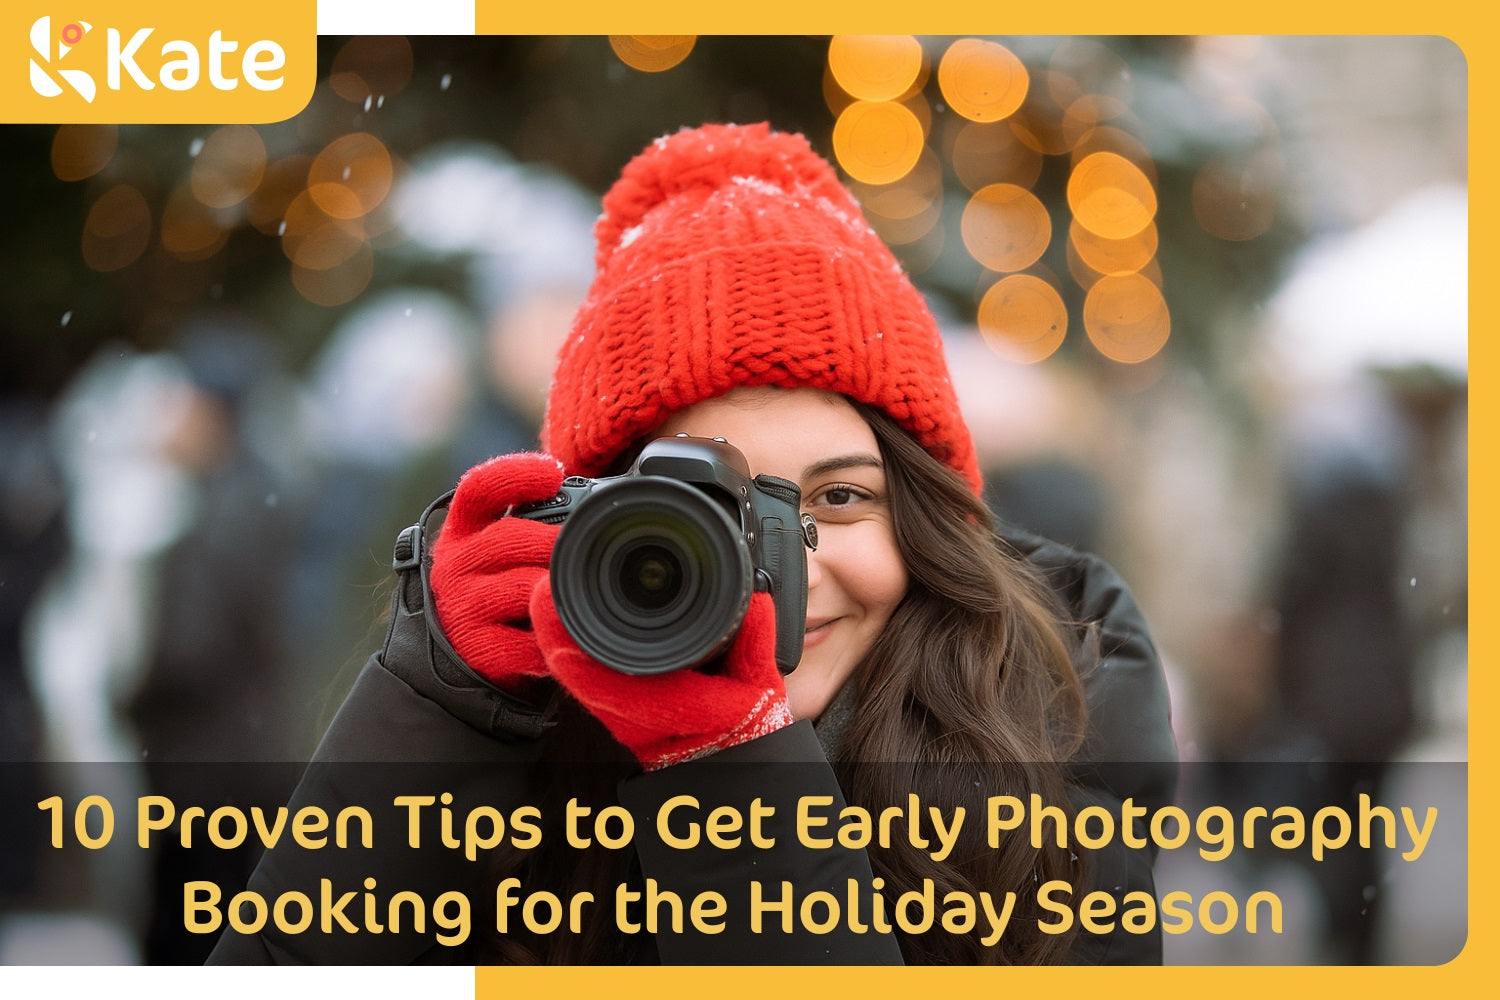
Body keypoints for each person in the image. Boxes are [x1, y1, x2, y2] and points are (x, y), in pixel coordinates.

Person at [208, 123, 1176, 966]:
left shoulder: (1056, 716)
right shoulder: (522, 726)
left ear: (930, 522)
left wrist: (727, 760)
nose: (784, 567)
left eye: (840, 497)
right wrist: (433, 707)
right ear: (594, 531)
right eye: (714, 507)